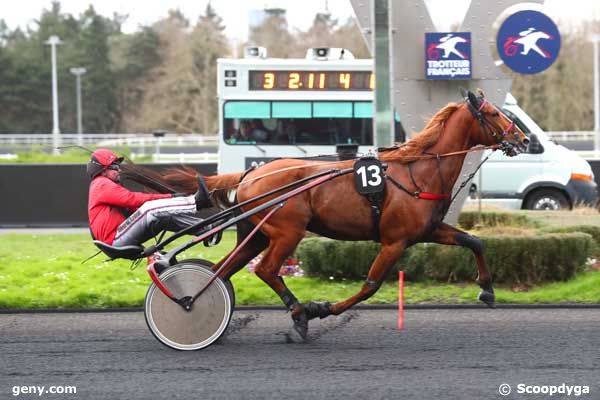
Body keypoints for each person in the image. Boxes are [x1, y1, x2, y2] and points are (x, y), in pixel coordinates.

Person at [87, 148, 210, 247]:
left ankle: (206, 229)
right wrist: (170, 197)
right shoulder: (101, 183)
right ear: (103, 170)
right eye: (114, 166)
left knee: (164, 216)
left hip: (119, 235)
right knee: (148, 208)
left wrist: (169, 200)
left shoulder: (104, 185)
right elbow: (131, 199)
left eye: (118, 166)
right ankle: (196, 202)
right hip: (115, 239)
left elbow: (133, 210)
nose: (119, 169)